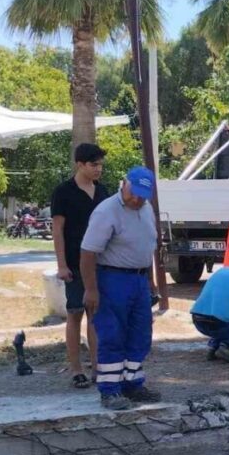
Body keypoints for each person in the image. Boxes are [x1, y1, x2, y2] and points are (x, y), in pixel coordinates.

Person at [80, 166, 162, 410]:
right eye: (133, 193)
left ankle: (133, 383)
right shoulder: (107, 211)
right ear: (124, 183)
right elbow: (88, 253)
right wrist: (91, 289)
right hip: (112, 279)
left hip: (139, 280)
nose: (136, 199)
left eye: (142, 196)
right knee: (112, 334)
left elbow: (147, 247)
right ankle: (110, 390)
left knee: (140, 333)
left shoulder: (147, 210)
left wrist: (150, 280)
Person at [51, 143, 110, 389]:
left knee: (96, 316)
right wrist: (62, 264)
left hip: (100, 264)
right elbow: (58, 230)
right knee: (75, 313)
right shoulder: (63, 192)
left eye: (100, 165)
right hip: (74, 264)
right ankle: (76, 370)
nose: (98, 169)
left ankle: (98, 367)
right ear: (80, 164)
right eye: (94, 164)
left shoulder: (103, 191)